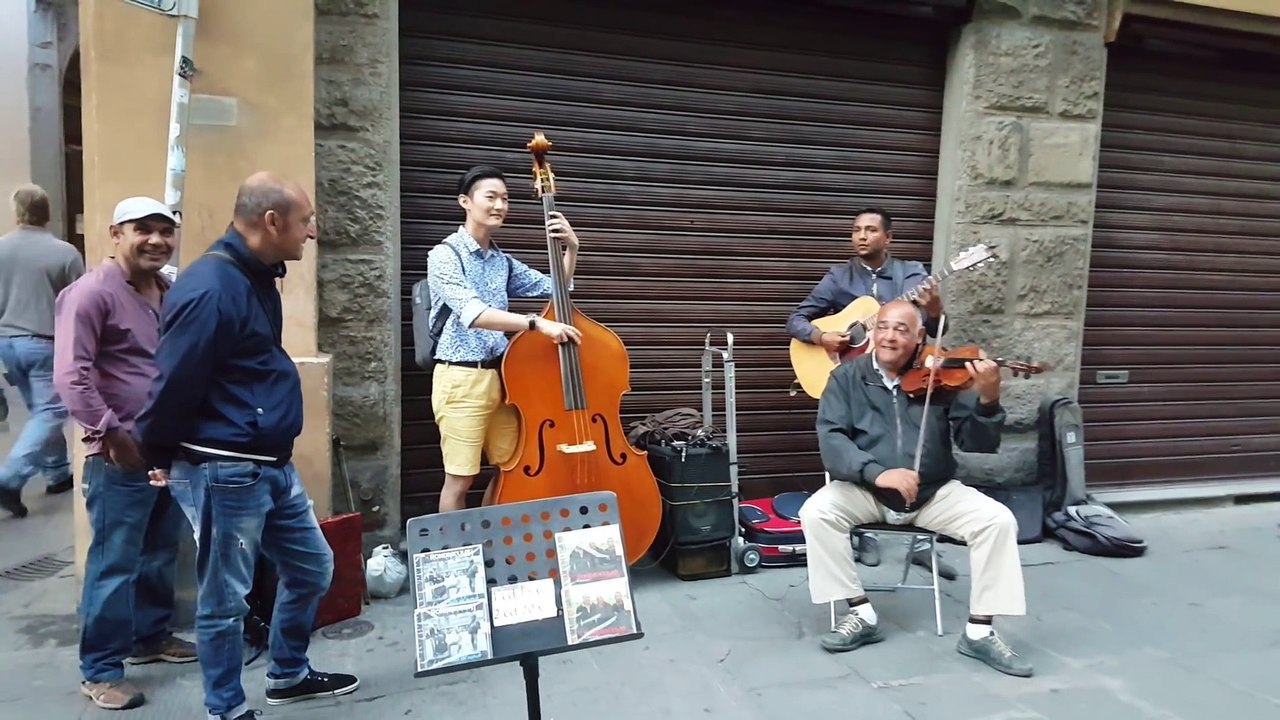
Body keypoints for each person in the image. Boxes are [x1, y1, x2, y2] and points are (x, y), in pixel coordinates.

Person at [135, 172, 358, 720]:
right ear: (272, 222)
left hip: (268, 463)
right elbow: (172, 382)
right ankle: (226, 709)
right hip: (226, 468)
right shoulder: (211, 288)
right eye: (305, 221)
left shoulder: (253, 275)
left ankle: (288, 674)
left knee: (312, 568)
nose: (312, 232)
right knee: (224, 600)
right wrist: (158, 455)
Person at [798, 299, 1032, 677]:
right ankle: (860, 613)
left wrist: (989, 401)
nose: (889, 336)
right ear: (873, 332)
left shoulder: (942, 378)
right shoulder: (846, 378)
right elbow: (832, 440)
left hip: (932, 493)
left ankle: (979, 631)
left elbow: (977, 444)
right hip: (867, 490)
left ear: (920, 336)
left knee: (997, 521)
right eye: (884, 327)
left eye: (901, 330)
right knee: (816, 512)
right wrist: (877, 473)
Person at [53, 196, 198, 710]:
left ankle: (149, 637)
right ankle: (100, 669)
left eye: (166, 230)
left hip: (166, 448)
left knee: (160, 550)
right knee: (115, 562)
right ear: (116, 234)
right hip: (120, 454)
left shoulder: (169, 290)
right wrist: (111, 434)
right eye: (143, 229)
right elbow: (71, 376)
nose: (157, 240)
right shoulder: (90, 293)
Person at [786, 207, 956, 577]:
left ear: (888, 237)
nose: (862, 236)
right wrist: (821, 336)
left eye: (871, 230)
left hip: (906, 379)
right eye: (856, 230)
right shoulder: (839, 276)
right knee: (851, 444)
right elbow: (795, 320)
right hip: (857, 381)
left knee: (919, 446)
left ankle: (922, 542)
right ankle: (864, 534)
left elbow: (935, 329)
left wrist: (935, 309)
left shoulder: (912, 274)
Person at [427, 165, 582, 513]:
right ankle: (456, 547)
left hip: (502, 378)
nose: (499, 205)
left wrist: (571, 249)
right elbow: (473, 313)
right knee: (460, 479)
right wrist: (535, 324)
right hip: (460, 379)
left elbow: (555, 289)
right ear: (465, 201)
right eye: (491, 197)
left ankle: (491, 536)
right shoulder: (444, 256)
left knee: (511, 468)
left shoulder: (501, 261)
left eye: (505, 199)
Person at [0, 183, 83, 515]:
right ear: (47, 213)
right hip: (45, 343)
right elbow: (80, 304)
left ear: (16, 212)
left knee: (40, 410)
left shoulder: (1, 249)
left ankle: (57, 472)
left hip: (7, 342)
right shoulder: (65, 253)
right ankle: (9, 478)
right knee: (51, 411)